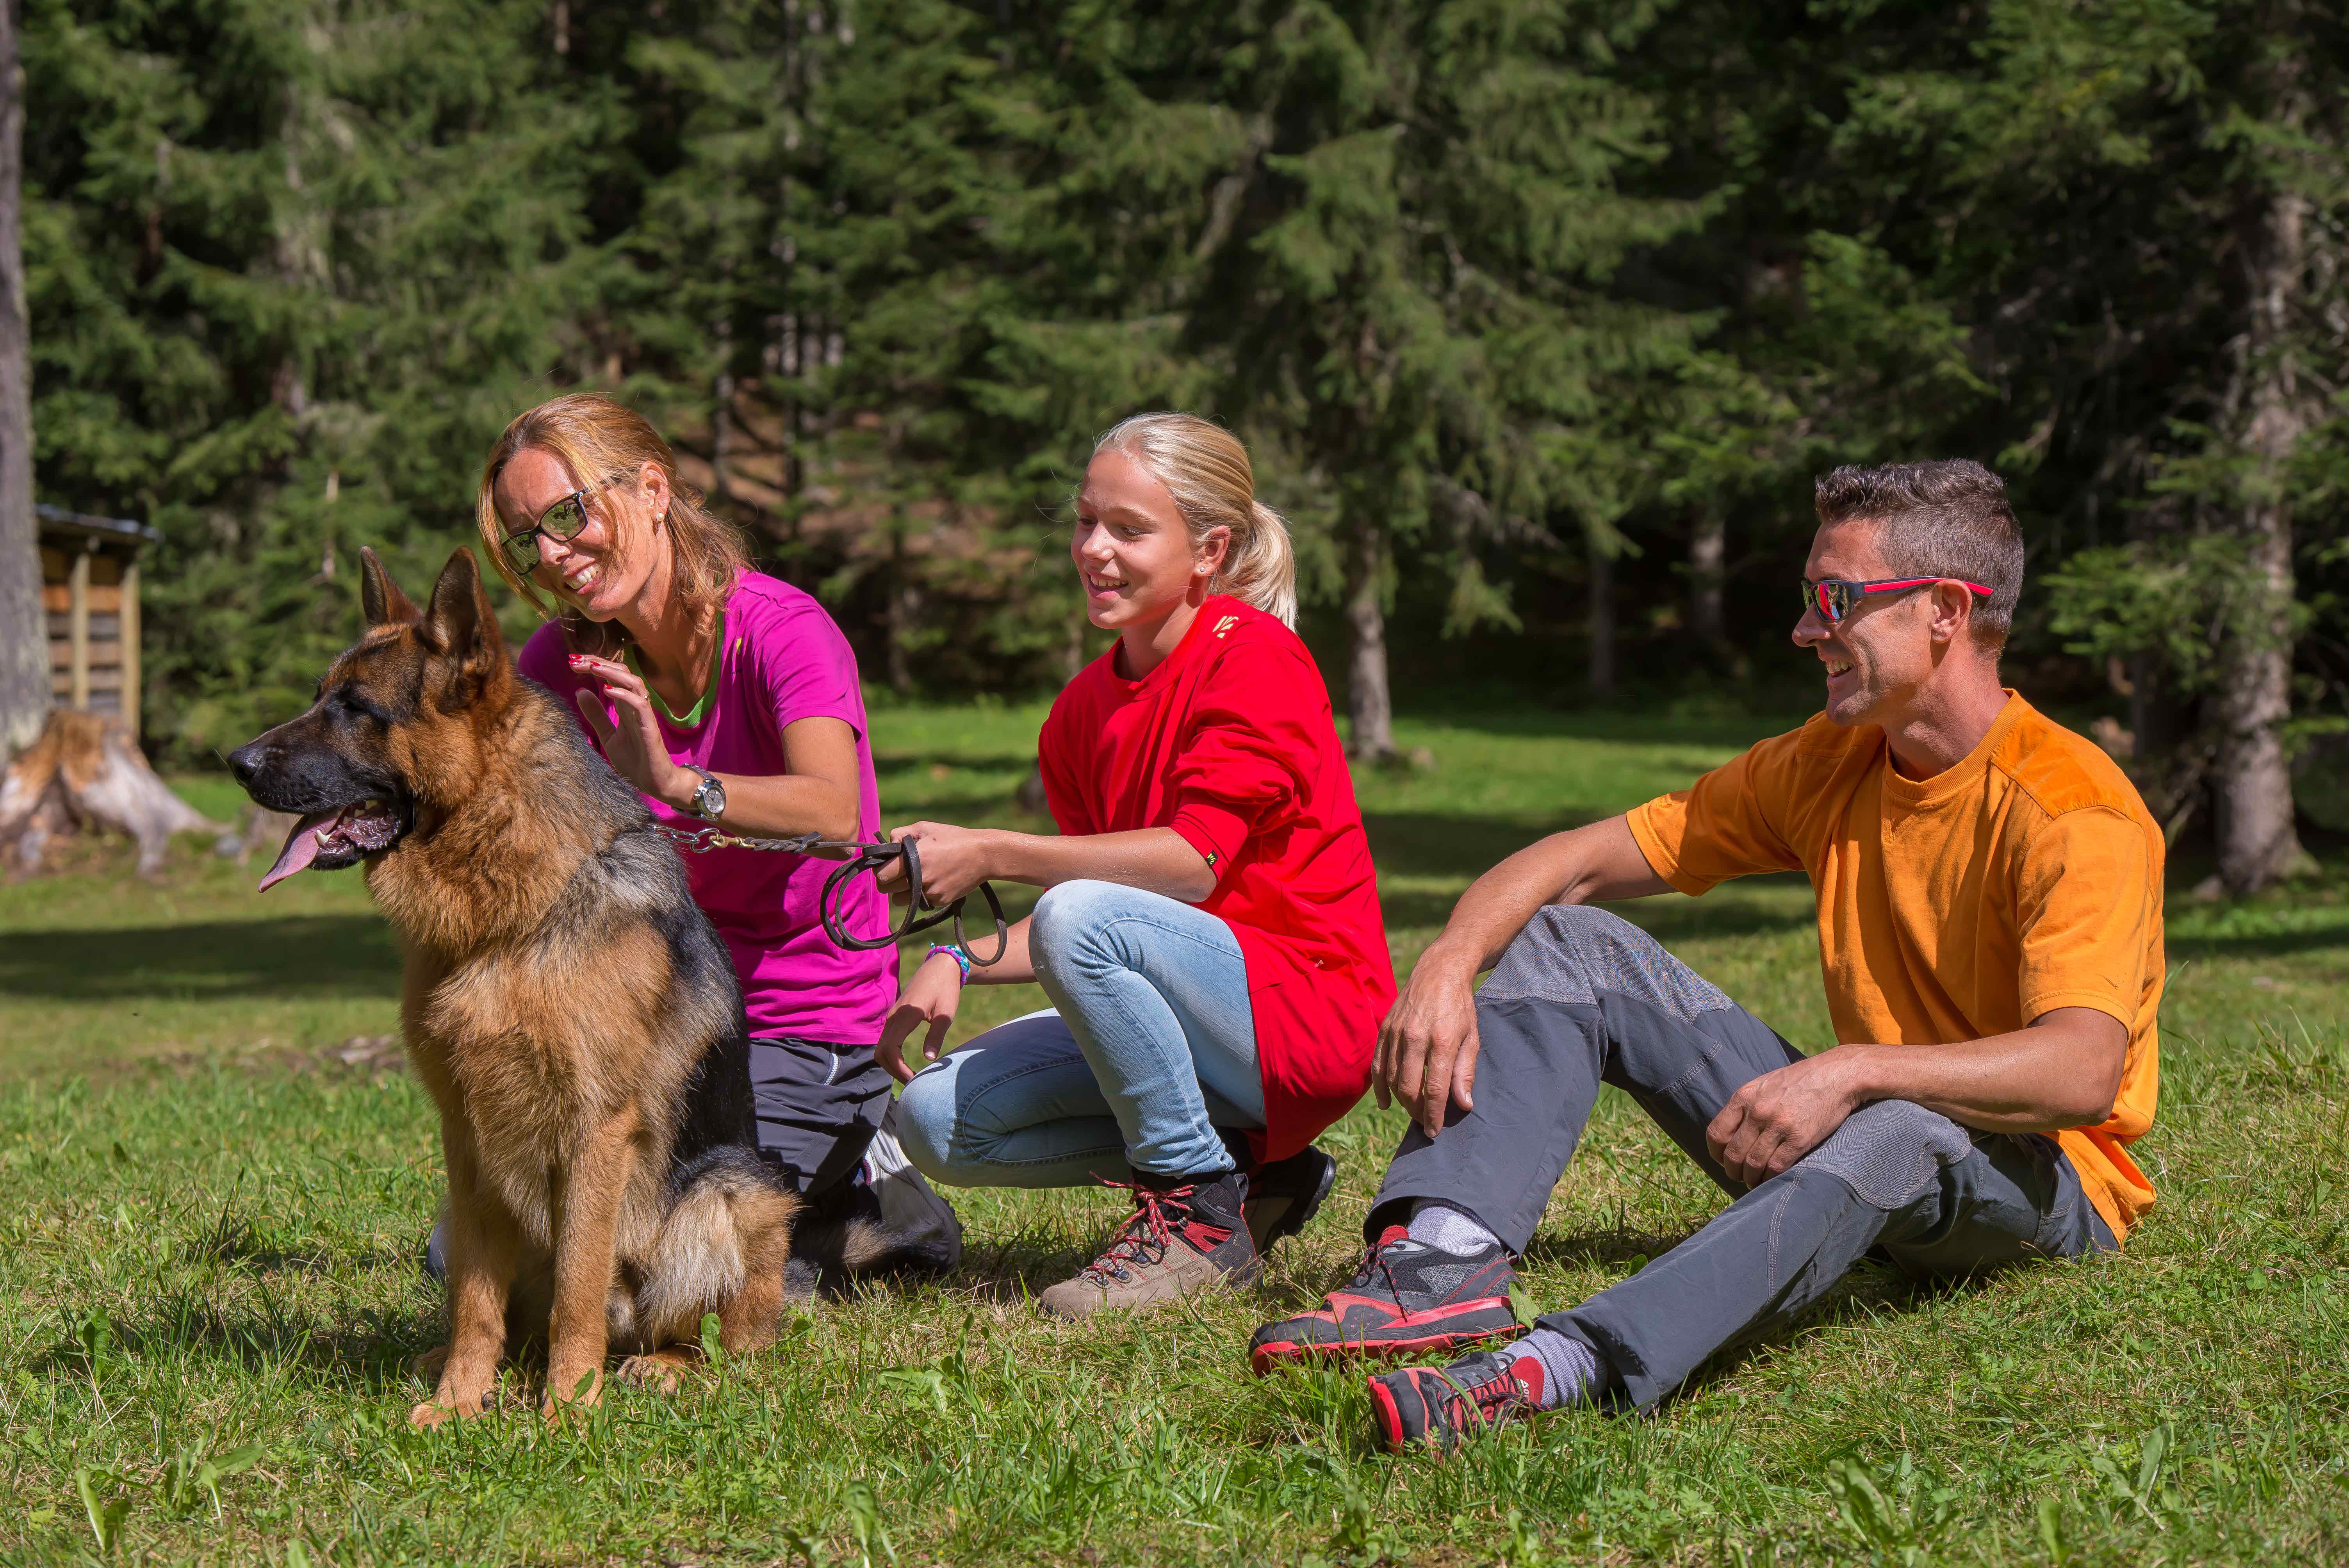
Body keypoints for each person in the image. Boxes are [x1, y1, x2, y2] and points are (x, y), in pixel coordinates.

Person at [1251, 460, 2162, 1452]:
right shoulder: (1833, 759)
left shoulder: (2072, 808)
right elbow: (1576, 861)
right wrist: (1444, 962)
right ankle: (1440, 1266)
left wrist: (1851, 1073)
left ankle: (1560, 1366)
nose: (1805, 629)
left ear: (1944, 610)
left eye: (1834, 600)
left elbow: (2081, 1070)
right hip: (1881, 1128)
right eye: (1806, 599)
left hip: (2045, 1190)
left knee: (1896, 1125)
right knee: (1570, 941)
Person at [884, 412, 1395, 1317]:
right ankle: (1253, 1174)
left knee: (1084, 911)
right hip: (1192, 1015)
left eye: (1128, 529)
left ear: (1209, 550)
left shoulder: (1258, 661)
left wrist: (992, 849)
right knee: (931, 1119)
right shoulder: (1079, 711)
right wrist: (955, 958)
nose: (1094, 549)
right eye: (1086, 522)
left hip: (1305, 1024)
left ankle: (1193, 1218)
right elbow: (1090, 931)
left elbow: (1188, 869)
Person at [469, 392, 961, 1281]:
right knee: (485, 1257)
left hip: (800, 1020)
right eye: (524, 538)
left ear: (653, 489)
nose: (550, 554)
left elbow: (831, 811)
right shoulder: (556, 664)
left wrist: (672, 784)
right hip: (651, 1020)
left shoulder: (783, 631)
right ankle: (819, 1202)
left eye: (567, 514)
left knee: (687, 1273)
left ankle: (875, 1185)